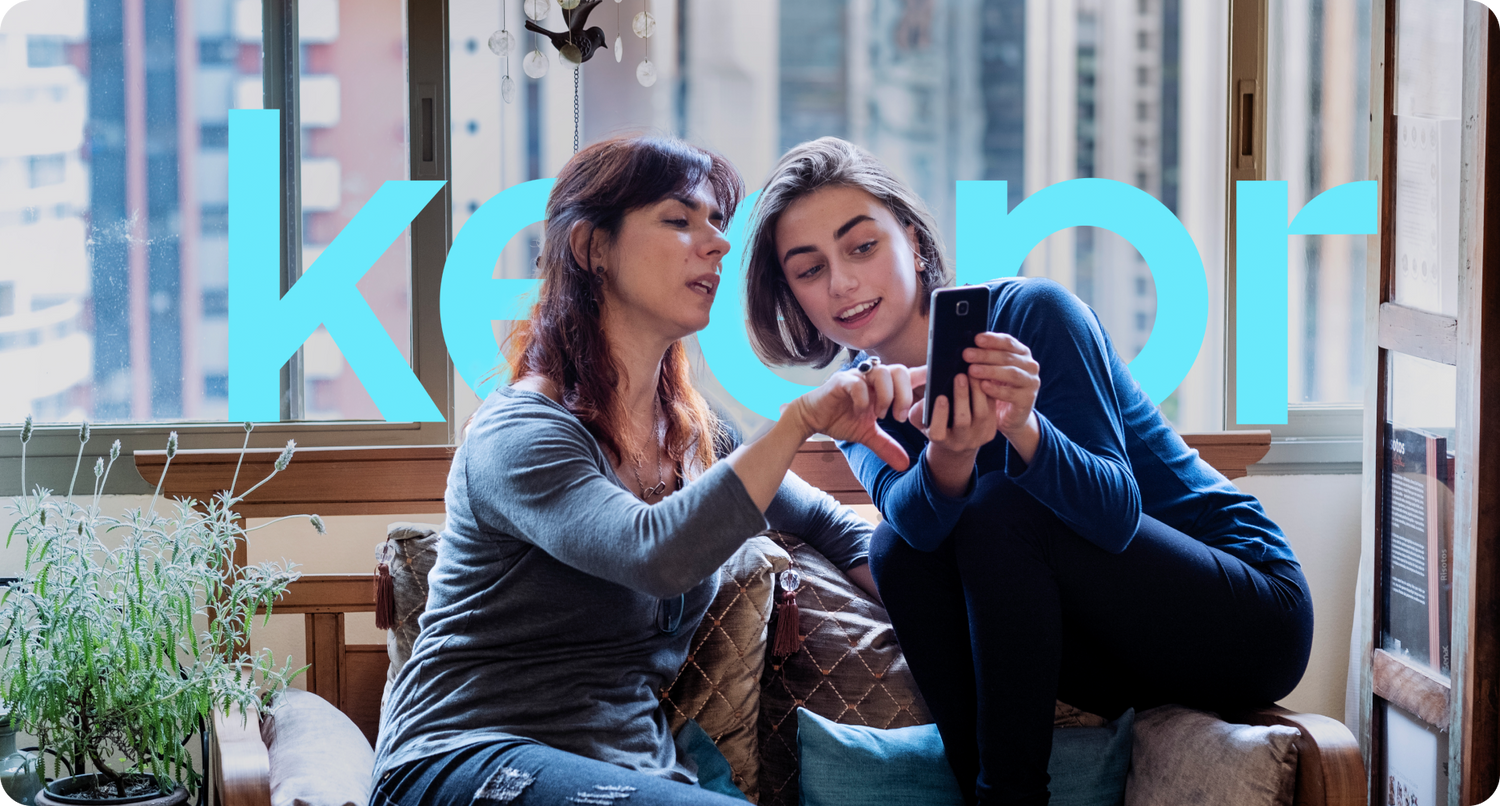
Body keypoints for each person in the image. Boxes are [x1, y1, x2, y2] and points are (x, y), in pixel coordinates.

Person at [742, 136, 1314, 806]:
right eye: (809, 271)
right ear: (794, 297)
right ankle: (984, 792)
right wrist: (950, 451)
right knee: (899, 544)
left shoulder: (1031, 316)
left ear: (914, 242)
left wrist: (1023, 425)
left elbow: (1113, 512)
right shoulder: (859, 399)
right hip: (1104, 654)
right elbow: (918, 536)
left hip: (1242, 610)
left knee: (1000, 508)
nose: (841, 282)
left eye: (862, 246)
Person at [371, 136, 908, 805]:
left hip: (631, 773)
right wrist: (799, 423)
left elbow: (830, 526)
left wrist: (958, 619)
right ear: (592, 248)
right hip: (464, 760)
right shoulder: (520, 434)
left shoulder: (694, 433)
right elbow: (654, 553)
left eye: (716, 223)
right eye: (680, 221)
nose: (715, 244)